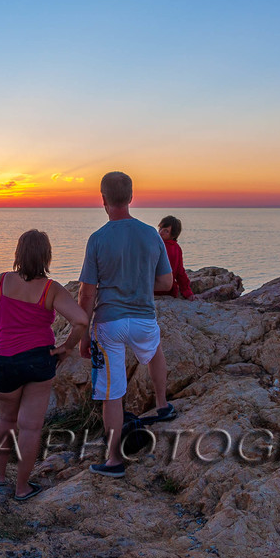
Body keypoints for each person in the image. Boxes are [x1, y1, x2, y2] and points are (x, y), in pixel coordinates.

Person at [78, 172, 176, 479]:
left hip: (110, 324)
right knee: (154, 353)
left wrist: (81, 333)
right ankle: (162, 405)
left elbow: (87, 292)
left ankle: (113, 459)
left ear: (103, 200)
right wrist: (138, 284)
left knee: (112, 391)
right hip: (143, 317)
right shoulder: (151, 235)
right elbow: (166, 281)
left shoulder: (97, 239)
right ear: (131, 197)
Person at [0, 230, 90, 500]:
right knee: (30, 427)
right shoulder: (50, 289)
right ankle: (21, 488)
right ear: (46, 256)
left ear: (18, 253)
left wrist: (3, 347)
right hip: (39, 361)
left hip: (5, 361)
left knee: (5, 419)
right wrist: (66, 347)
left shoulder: (2, 281)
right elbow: (81, 320)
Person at [154, 217, 195, 299]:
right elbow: (180, 272)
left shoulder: (156, 246)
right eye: (161, 228)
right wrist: (187, 292)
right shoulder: (177, 248)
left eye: (166, 231)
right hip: (170, 291)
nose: (161, 232)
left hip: (154, 289)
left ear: (173, 235)